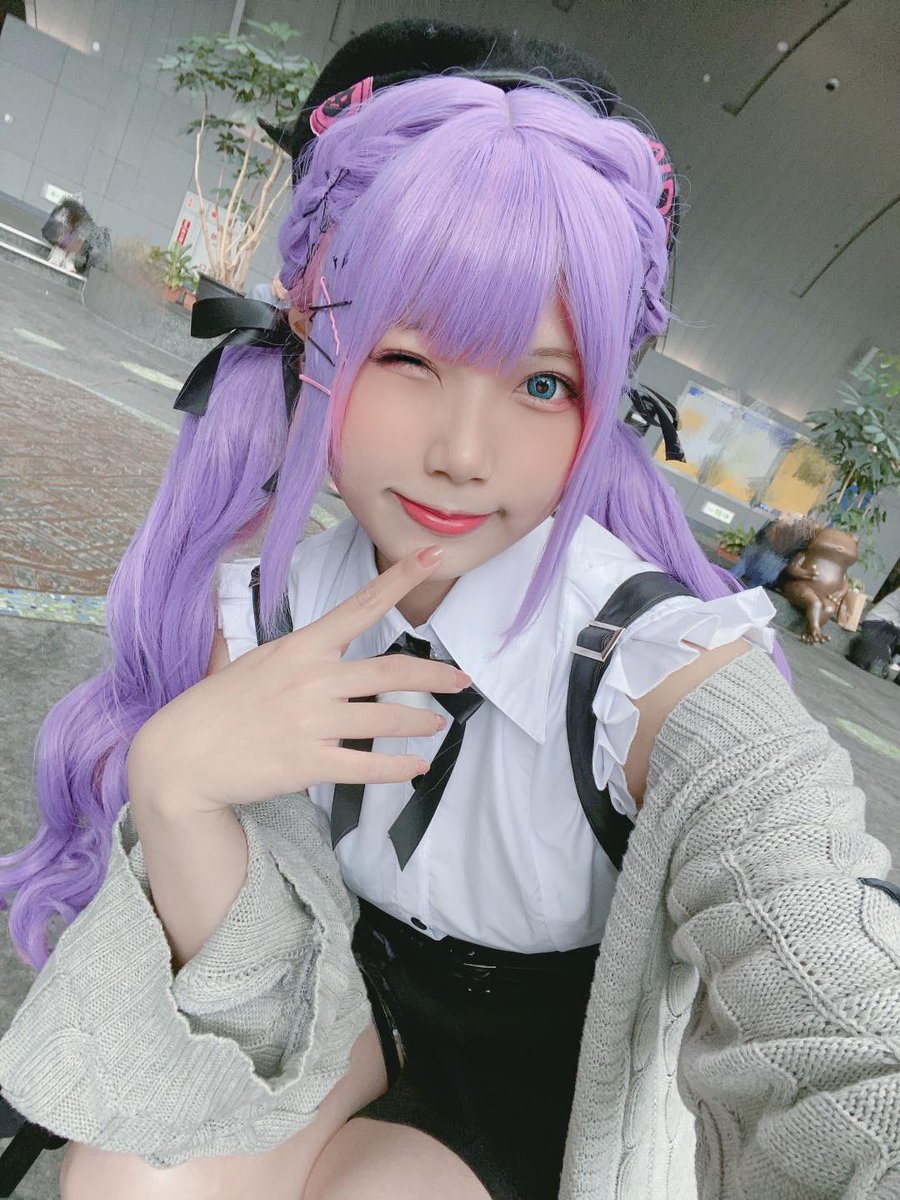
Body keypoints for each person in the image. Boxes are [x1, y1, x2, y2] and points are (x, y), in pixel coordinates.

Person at [1, 20, 898, 1200]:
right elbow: (251, 977)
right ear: (311, 331)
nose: (464, 454)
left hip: (537, 1096)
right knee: (129, 1171)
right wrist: (174, 786)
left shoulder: (662, 680)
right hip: (335, 1007)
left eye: (543, 383)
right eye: (409, 358)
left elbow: (835, 1019)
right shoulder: (270, 608)